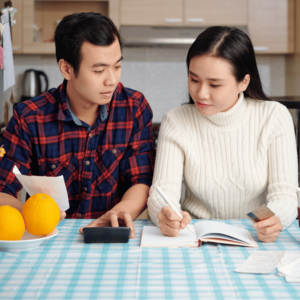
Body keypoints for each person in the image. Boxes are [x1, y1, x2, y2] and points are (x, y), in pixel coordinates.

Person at [0, 13, 155, 238]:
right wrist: (33, 214)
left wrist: (118, 213)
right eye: (99, 71)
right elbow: (2, 190)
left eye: (117, 66)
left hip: (111, 234)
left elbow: (141, 181)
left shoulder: (134, 108)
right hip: (50, 236)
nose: (112, 80)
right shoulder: (29, 118)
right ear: (67, 69)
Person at [147, 26, 298, 243]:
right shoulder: (176, 120)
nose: (201, 93)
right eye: (194, 79)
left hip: (254, 237)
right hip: (195, 238)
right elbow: (161, 194)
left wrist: (274, 220)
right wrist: (165, 215)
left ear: (243, 82)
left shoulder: (273, 117)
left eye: (214, 84)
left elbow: (285, 196)